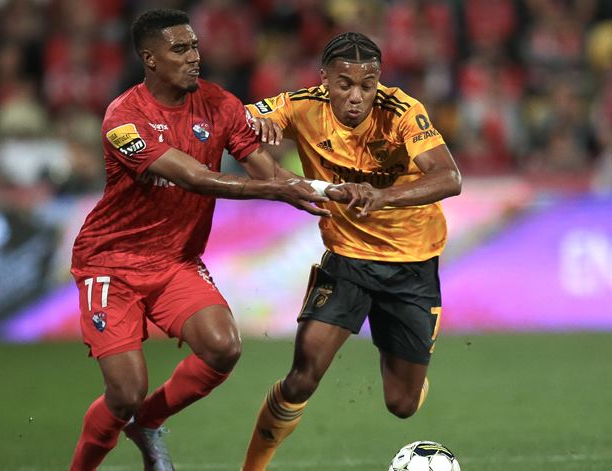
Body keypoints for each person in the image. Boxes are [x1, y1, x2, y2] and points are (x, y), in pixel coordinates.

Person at [68, 10, 369, 471]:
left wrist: (327, 191)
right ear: (149, 58)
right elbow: (195, 178)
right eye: (180, 49)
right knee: (125, 392)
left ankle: (146, 423)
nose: (194, 57)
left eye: (195, 47)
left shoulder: (220, 104)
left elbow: (267, 170)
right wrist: (275, 190)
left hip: (175, 261)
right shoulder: (123, 119)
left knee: (223, 346)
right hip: (112, 262)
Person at [241, 32, 463, 470]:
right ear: (324, 80)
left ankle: (406, 366)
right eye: (345, 85)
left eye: (368, 85)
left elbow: (449, 177)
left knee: (402, 405)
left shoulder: (402, 111)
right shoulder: (301, 105)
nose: (358, 97)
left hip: (411, 264)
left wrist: (383, 197)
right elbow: (235, 124)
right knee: (302, 375)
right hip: (347, 259)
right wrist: (262, 151)